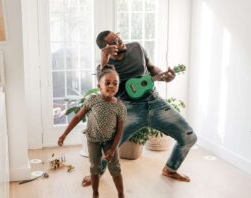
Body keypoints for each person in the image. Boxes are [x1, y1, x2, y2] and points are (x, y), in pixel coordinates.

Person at [81, 30, 198, 186]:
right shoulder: (105, 65)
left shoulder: (136, 47)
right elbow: (105, 90)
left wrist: (164, 76)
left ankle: (170, 169)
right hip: (128, 109)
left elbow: (151, 68)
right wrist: (104, 59)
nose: (120, 41)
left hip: (155, 102)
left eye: (118, 37)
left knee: (189, 137)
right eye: (114, 42)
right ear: (106, 48)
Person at [58, 65, 127, 198]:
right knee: (95, 167)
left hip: (110, 141)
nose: (111, 86)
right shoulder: (93, 100)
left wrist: (112, 149)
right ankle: (95, 193)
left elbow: (120, 131)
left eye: (115, 83)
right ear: (99, 86)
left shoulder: (120, 106)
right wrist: (64, 134)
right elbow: (78, 117)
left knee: (115, 168)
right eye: (107, 83)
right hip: (93, 140)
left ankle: (121, 194)